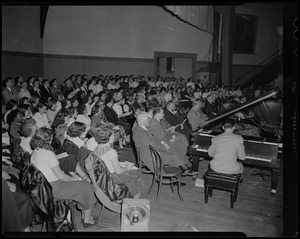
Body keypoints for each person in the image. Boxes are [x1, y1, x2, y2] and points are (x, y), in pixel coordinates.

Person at [30, 127, 98, 227]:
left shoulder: (35, 151)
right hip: (54, 188)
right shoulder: (48, 153)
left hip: (43, 186)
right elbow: (61, 176)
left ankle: (85, 211)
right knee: (86, 186)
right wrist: (76, 179)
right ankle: (86, 220)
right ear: (49, 139)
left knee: (82, 184)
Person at [132, 112, 196, 176]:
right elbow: (154, 146)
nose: (150, 122)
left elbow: (154, 140)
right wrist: (166, 148)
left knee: (174, 149)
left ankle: (183, 168)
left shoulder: (140, 128)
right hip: (151, 155)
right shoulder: (141, 133)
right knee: (173, 154)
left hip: (152, 150)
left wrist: (163, 144)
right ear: (145, 122)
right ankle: (176, 174)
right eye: (149, 120)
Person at [91, 127, 144, 198]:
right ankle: (133, 200)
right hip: (113, 177)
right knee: (138, 174)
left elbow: (107, 162)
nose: (114, 137)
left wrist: (122, 163)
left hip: (104, 175)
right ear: (108, 138)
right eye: (113, 135)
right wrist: (127, 168)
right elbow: (118, 171)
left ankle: (130, 194)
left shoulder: (97, 148)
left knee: (134, 174)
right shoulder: (111, 152)